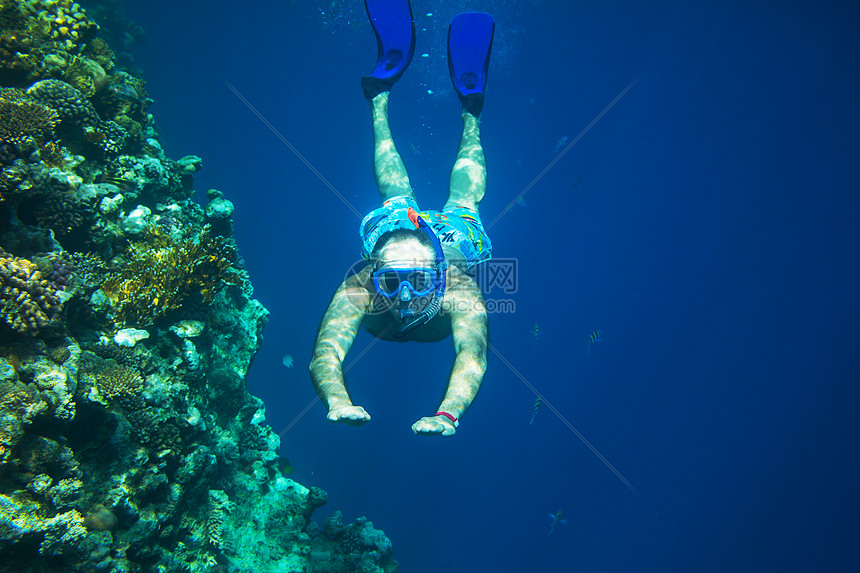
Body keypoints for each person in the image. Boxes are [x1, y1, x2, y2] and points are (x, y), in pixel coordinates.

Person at [309, 0, 495, 437]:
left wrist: (447, 414)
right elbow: (326, 353)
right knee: (421, 200)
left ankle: (471, 113)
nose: (406, 294)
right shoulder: (360, 289)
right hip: (405, 235)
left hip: (449, 242)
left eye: (418, 280)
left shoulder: (460, 292)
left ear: (440, 277)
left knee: (455, 201)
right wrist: (337, 401)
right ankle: (381, 98)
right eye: (392, 282)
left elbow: (473, 356)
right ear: (374, 273)